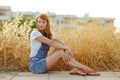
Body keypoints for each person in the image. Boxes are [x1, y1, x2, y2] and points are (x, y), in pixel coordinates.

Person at [28, 13, 100, 76]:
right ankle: (86, 69)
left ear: (47, 23)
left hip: (44, 64)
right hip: (35, 65)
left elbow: (60, 43)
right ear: (37, 23)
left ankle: (74, 68)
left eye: (43, 22)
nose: (41, 24)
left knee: (61, 48)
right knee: (61, 51)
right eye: (39, 22)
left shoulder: (48, 35)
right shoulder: (35, 33)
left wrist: (66, 48)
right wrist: (65, 48)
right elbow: (52, 43)